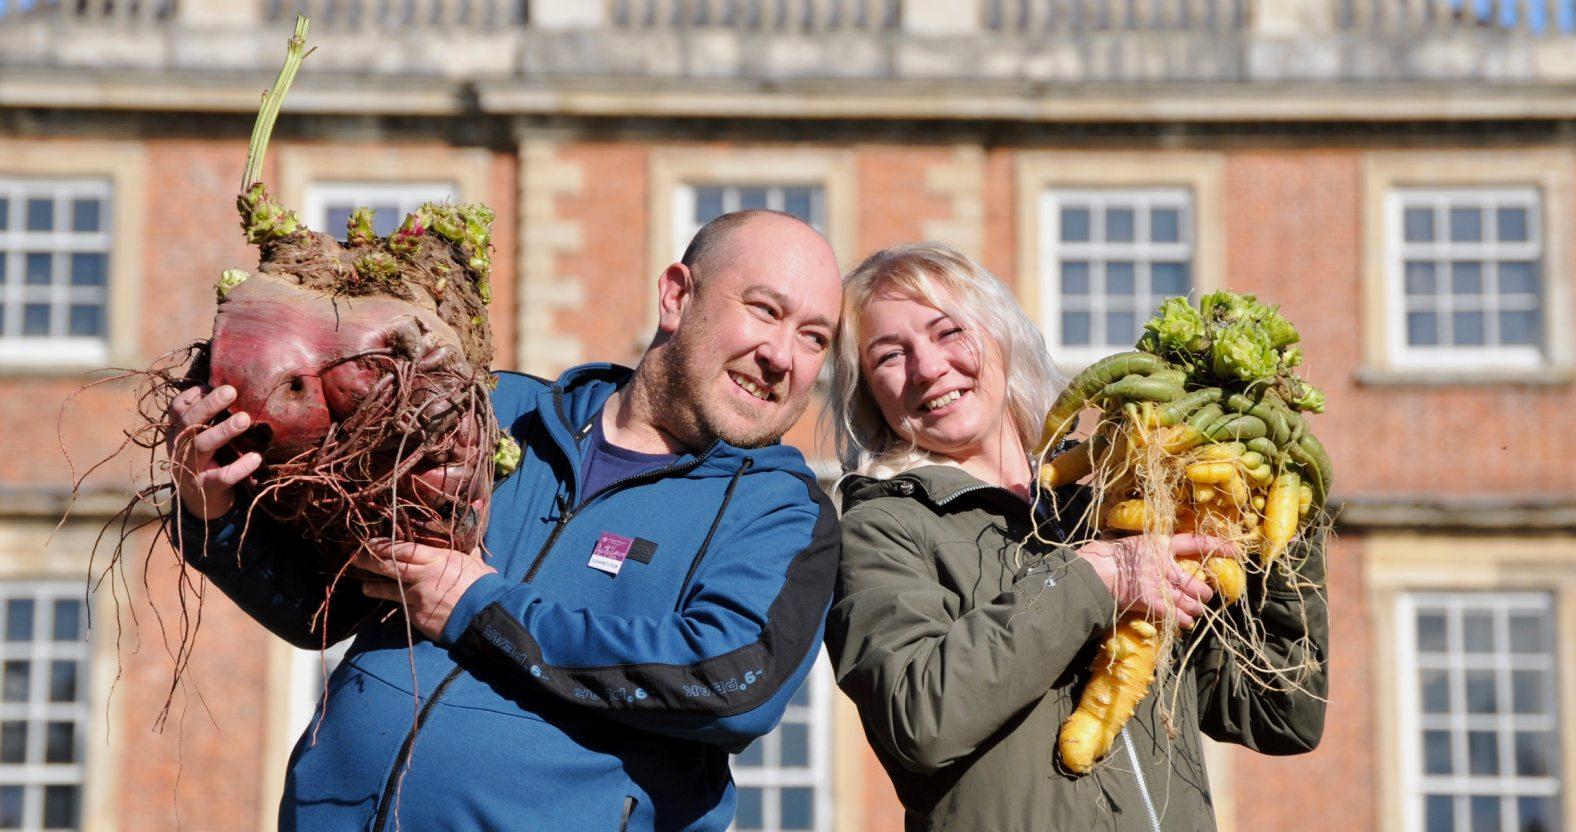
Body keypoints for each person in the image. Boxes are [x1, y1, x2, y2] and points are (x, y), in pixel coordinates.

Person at [165, 209, 844, 831]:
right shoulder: (491, 412)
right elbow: (325, 605)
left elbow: (728, 680)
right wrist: (213, 510)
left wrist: (479, 608)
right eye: (764, 311)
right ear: (676, 295)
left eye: (814, 338)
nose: (782, 357)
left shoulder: (781, 511)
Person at [821, 242, 1328, 831]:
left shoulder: (1111, 496)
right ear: (868, 392)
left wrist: (1278, 516)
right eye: (890, 356)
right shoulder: (882, 528)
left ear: (1000, 334)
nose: (929, 368)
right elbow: (920, 719)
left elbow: (1277, 712)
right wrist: (1093, 579)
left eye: (947, 332)